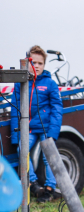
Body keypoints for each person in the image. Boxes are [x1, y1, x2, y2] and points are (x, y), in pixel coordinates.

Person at [9, 45, 63, 203]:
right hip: (30, 128)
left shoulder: (50, 83)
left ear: (44, 65)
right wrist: (15, 135)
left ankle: (49, 188)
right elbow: (15, 110)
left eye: (40, 63)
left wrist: (53, 133)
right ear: (27, 62)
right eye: (33, 62)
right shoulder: (20, 83)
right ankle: (32, 183)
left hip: (46, 128)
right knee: (21, 150)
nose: (36, 66)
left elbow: (57, 109)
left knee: (49, 156)